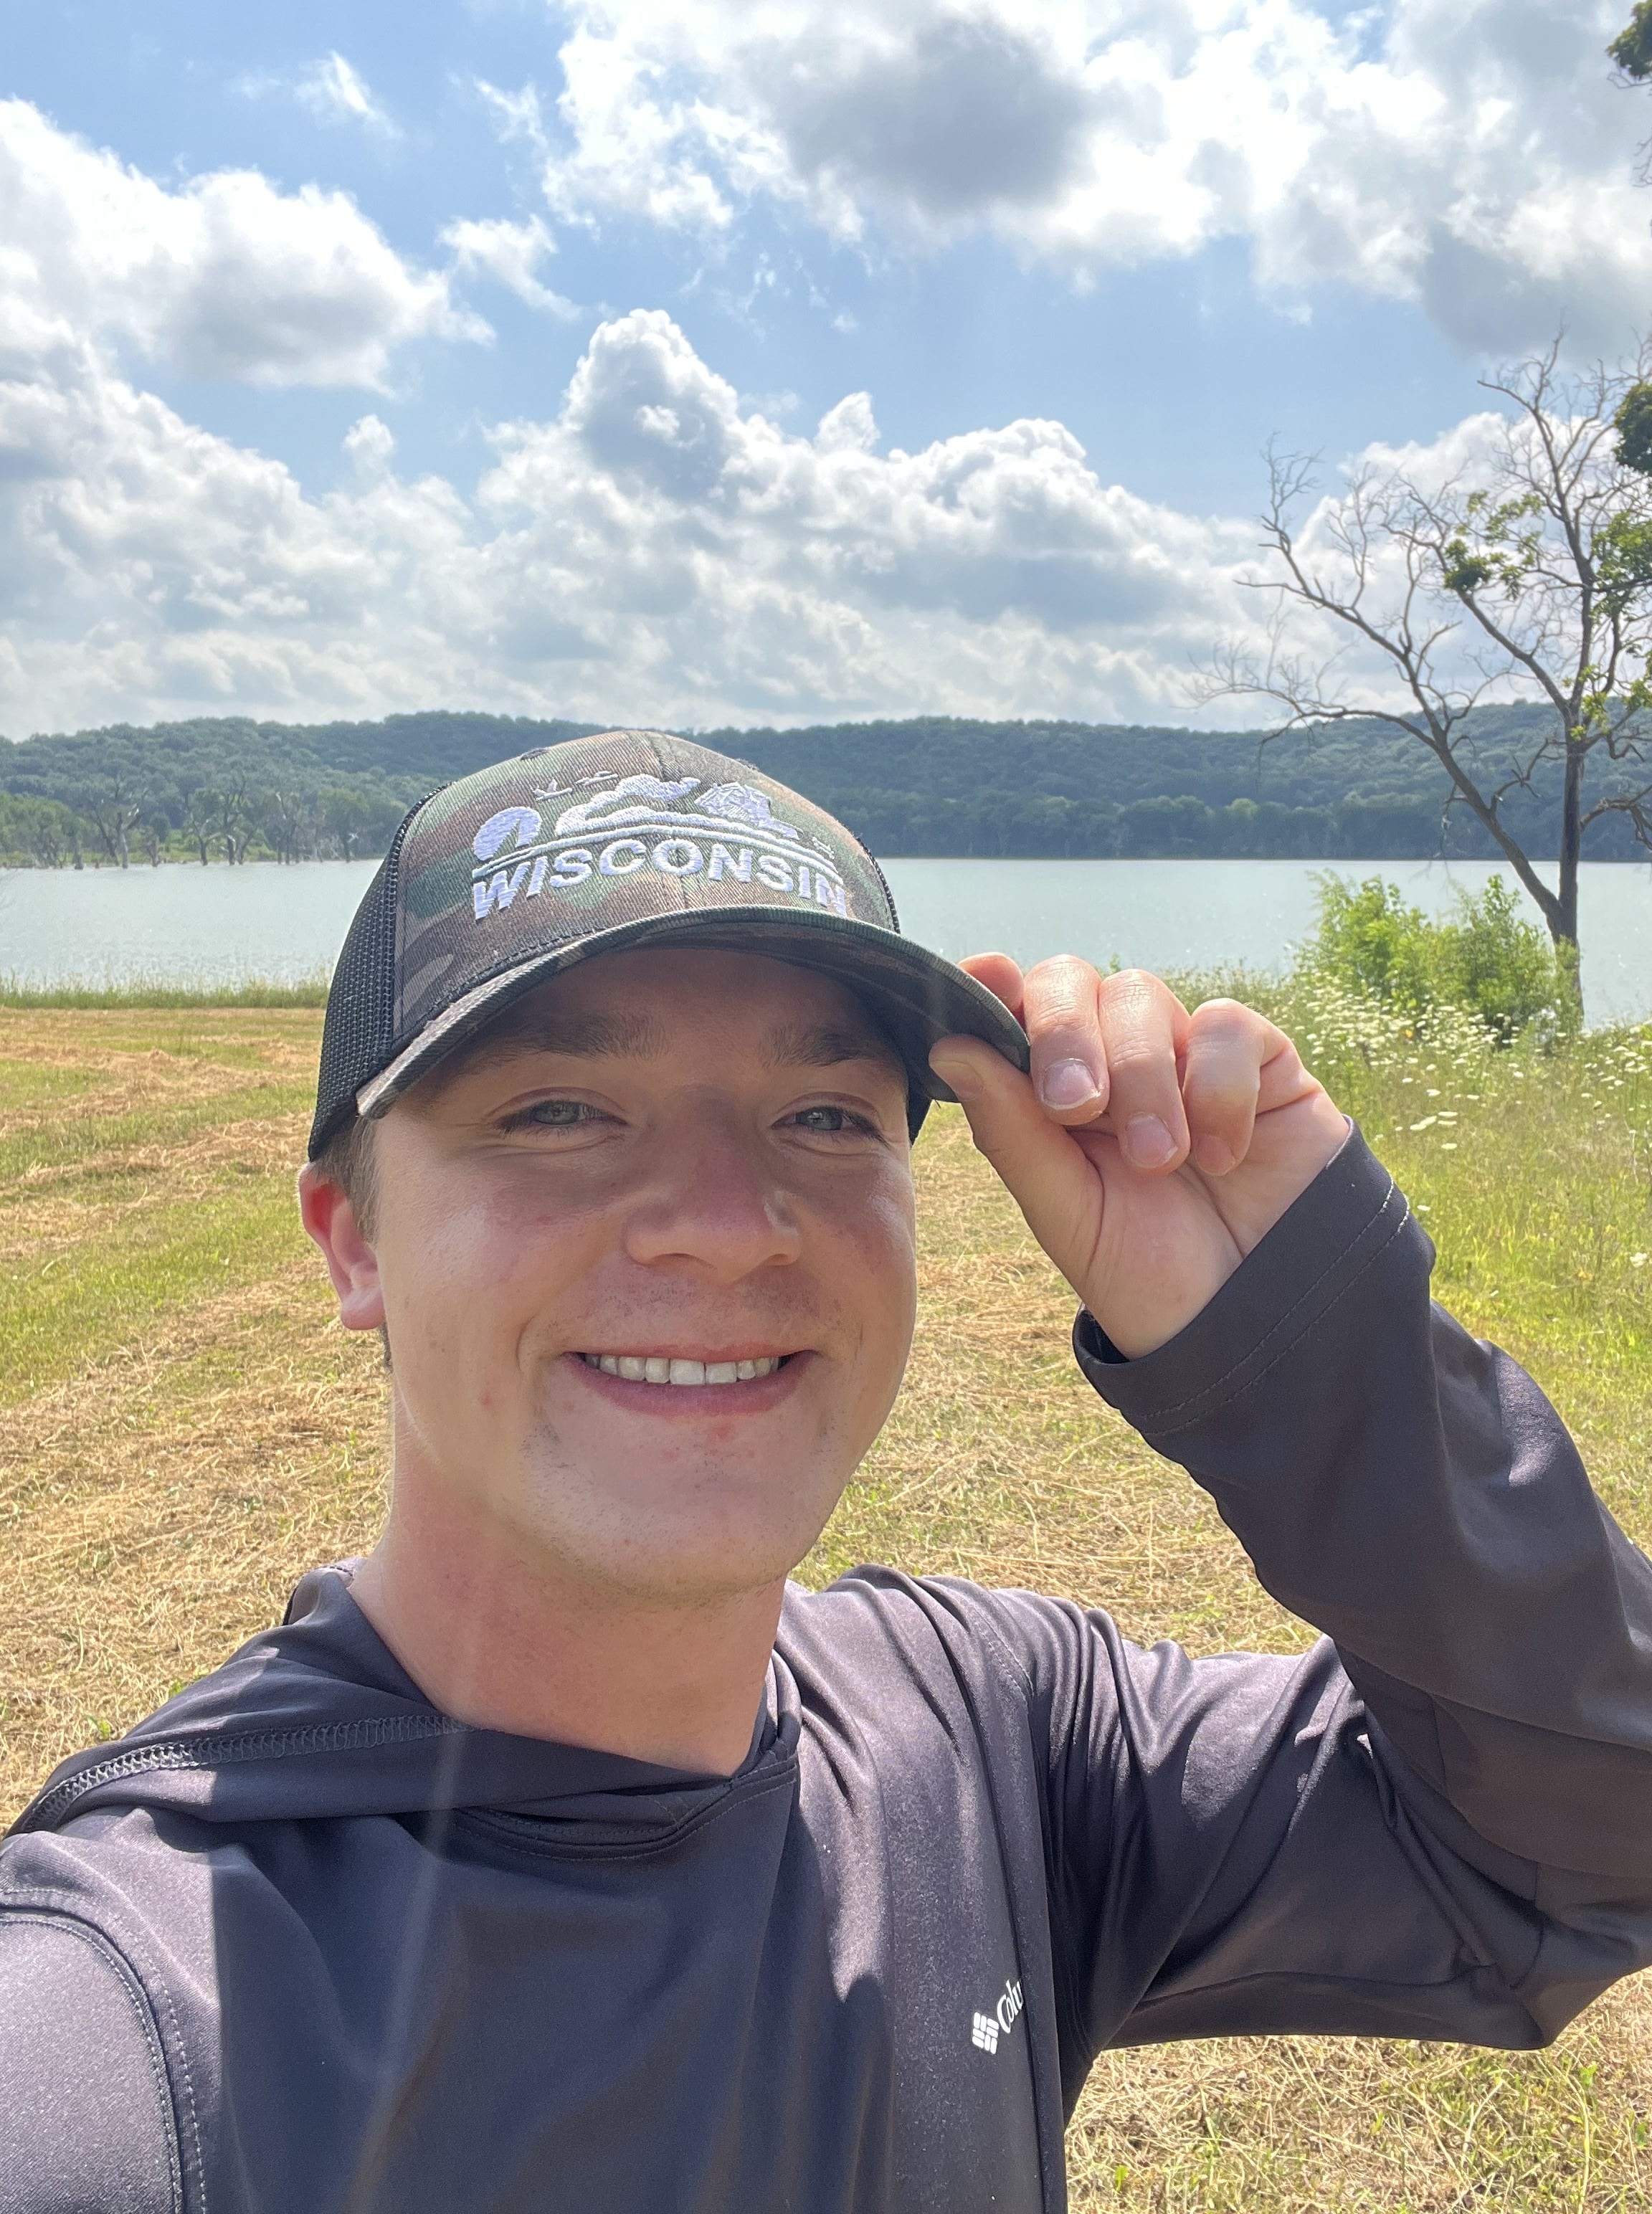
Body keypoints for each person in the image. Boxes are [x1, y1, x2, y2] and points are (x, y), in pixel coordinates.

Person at [1, 728, 1649, 2214]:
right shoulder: (138, 2018)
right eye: (564, 1108)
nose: (725, 1222)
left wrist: (1307, 1342)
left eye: (825, 1115)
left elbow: (1587, 1837)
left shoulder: (988, 1737)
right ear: (354, 1239)